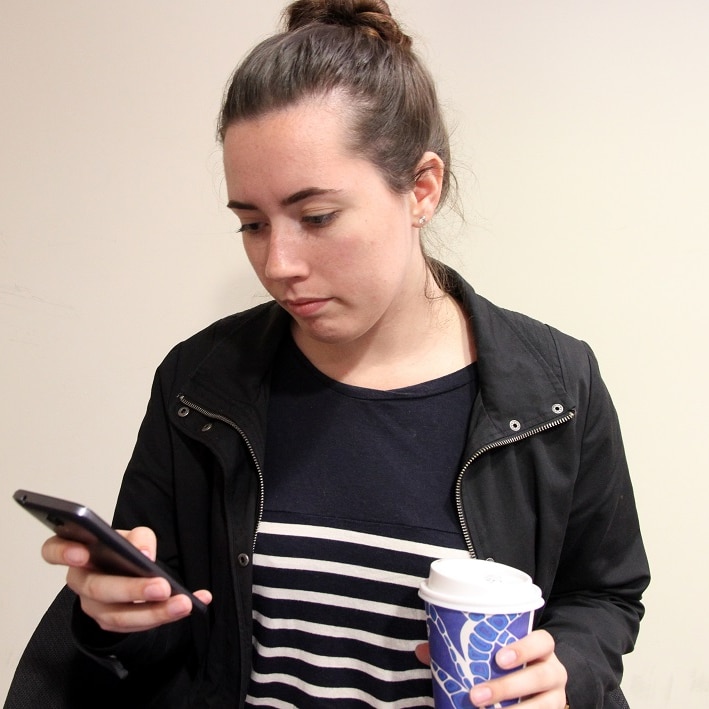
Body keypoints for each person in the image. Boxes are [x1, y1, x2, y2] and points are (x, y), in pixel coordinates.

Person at [34, 0, 649, 707]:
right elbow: (171, 631)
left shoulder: (552, 386)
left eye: (316, 216)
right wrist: (112, 616)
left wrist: (567, 668)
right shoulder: (198, 383)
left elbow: (605, 592)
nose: (278, 262)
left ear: (421, 187)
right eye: (252, 224)